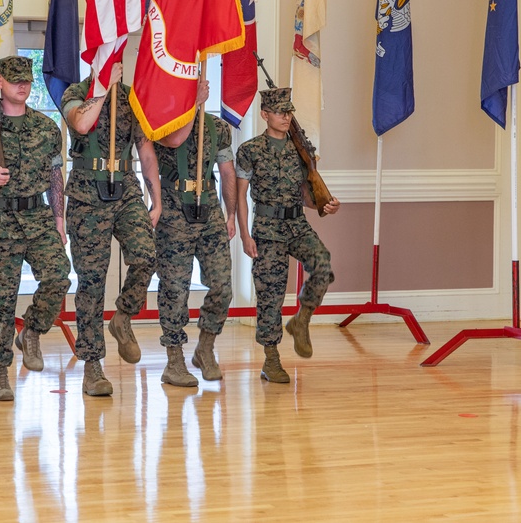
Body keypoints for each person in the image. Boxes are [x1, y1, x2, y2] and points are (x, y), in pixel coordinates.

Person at [0, 55, 72, 402]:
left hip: (37, 218)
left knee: (58, 276)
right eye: (15, 79)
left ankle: (33, 330)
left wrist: (59, 219)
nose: (23, 85)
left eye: (27, 80)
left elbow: (54, 176)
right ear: (0, 82)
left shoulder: (46, 128)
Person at [62, 62, 162, 397]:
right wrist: (104, 89)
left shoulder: (132, 99)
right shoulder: (76, 93)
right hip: (87, 193)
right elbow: (81, 122)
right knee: (91, 281)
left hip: (126, 188)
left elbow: (145, 151)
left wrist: (156, 199)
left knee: (148, 256)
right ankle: (92, 366)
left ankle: (122, 316)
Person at [235, 87, 340, 383]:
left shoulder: (301, 151)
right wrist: (245, 234)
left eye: (289, 112)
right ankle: (271, 360)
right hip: (267, 229)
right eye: (280, 112)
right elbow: (240, 197)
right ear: (265, 114)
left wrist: (326, 204)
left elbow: (307, 196)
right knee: (271, 293)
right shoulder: (250, 150)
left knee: (322, 262)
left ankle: (302, 318)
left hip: (297, 224)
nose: (285, 116)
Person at [153, 76, 236, 387]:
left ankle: (205, 347)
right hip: (174, 209)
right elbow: (175, 139)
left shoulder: (218, 128)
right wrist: (192, 105)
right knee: (175, 288)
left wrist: (232, 215)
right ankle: (174, 360)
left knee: (222, 285)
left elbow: (226, 171)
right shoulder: (162, 124)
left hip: (210, 210)